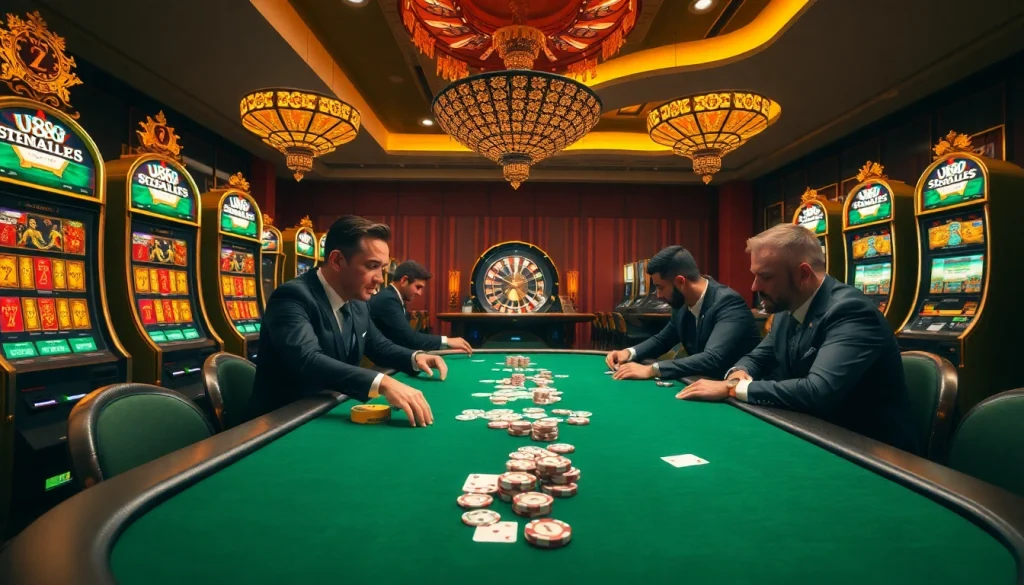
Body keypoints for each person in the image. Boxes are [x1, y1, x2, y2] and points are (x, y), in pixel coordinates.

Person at [677, 223, 918, 453]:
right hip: (815, 432)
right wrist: (739, 373)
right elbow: (758, 358)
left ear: (803, 274)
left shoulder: (850, 312)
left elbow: (817, 391)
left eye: (766, 277)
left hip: (872, 452)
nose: (753, 286)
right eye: (754, 275)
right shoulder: (788, 308)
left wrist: (733, 389)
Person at [251, 215, 448, 427]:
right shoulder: (292, 296)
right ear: (336, 260)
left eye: (381, 268)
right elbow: (307, 360)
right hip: (281, 424)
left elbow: (379, 346)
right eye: (371, 266)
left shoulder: (357, 302)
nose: (380, 279)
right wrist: (383, 382)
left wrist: (415, 357)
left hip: (326, 411)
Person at [605, 246, 760, 381]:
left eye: (660, 287)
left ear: (680, 281)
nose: (658, 295)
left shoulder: (728, 303)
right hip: (704, 384)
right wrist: (628, 352)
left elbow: (712, 358)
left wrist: (651, 369)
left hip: (742, 399)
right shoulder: (682, 304)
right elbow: (663, 340)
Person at [368, 260, 473, 354]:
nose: (420, 293)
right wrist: (447, 341)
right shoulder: (388, 299)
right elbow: (410, 339)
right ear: (404, 280)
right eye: (418, 287)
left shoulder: (395, 298)